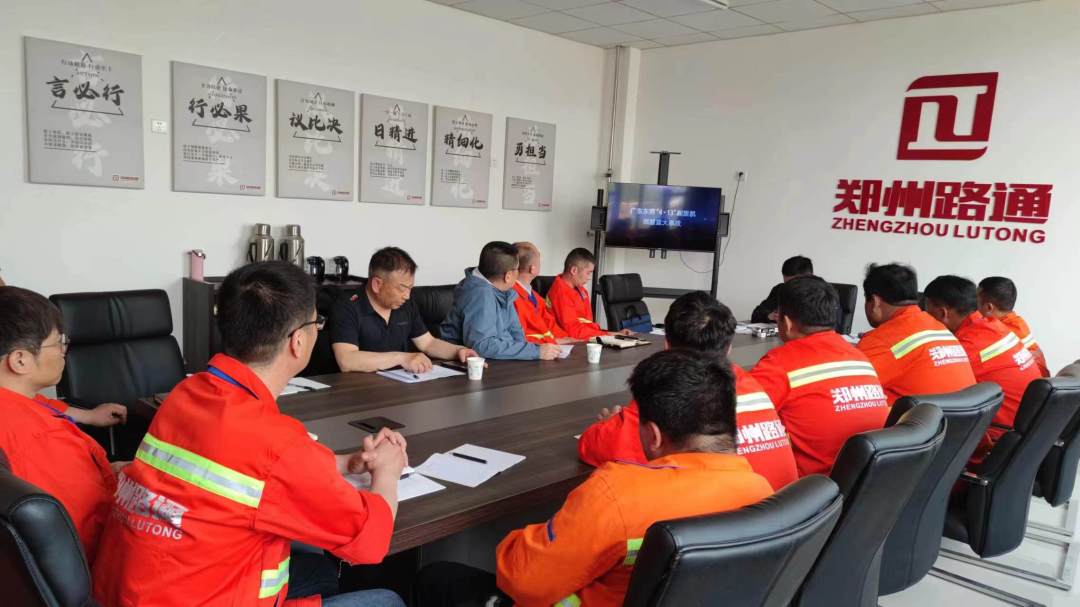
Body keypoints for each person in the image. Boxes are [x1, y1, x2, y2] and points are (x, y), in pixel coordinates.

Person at [91, 262, 407, 607]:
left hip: (142, 588)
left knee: (319, 568)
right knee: (387, 600)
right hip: (206, 594)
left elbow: (243, 468)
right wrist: (388, 472)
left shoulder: (186, 393)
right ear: (298, 341)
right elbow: (372, 543)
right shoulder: (275, 444)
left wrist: (344, 464)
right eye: (317, 323)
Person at [416, 349, 773, 607]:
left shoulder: (618, 491)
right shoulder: (761, 490)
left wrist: (520, 540)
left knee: (437, 577)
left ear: (652, 436)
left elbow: (522, 579)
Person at [578, 291, 798, 490]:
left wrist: (610, 424)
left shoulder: (670, 387)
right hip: (778, 511)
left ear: (666, 345)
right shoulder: (753, 384)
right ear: (729, 349)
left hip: (722, 515)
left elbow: (593, 446)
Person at [0, 286, 127, 565]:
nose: (63, 351)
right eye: (58, 342)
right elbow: (91, 530)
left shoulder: (18, 404)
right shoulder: (42, 438)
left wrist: (111, 471)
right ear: (20, 360)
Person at [750, 276, 889, 476]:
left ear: (786, 323)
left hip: (810, 487)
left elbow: (737, 418)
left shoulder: (780, 364)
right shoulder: (859, 355)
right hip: (865, 481)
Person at [925, 275, 1042, 462]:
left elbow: (932, 388)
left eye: (927, 313)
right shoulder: (995, 326)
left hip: (995, 445)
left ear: (942, 313)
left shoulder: (969, 344)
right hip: (1024, 440)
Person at [331, 247, 477, 373]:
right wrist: (402, 358)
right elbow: (347, 360)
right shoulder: (347, 306)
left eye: (410, 288)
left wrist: (458, 351)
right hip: (360, 390)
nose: (407, 295)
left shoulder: (405, 304)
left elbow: (428, 343)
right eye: (402, 288)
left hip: (401, 384)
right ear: (377, 284)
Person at [857, 264, 976, 404]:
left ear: (875, 302)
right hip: (949, 415)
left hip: (917, 416)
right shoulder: (939, 328)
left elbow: (843, 384)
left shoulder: (883, 340)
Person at [441, 242, 560, 361]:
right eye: (517, 269)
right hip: (470, 362)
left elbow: (516, 332)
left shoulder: (504, 289)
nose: (519, 272)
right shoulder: (479, 294)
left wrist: (530, 352)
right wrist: (535, 351)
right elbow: (482, 346)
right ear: (508, 276)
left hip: (499, 358)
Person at [547, 248, 631, 340]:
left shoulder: (580, 290)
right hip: (570, 342)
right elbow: (574, 331)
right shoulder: (560, 293)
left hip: (586, 338)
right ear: (574, 270)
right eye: (588, 273)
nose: (589, 278)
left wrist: (614, 333)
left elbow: (587, 326)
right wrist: (610, 335)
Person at [978, 276, 1050, 377]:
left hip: (1031, 385)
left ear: (989, 307)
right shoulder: (1019, 323)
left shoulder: (999, 332)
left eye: (975, 300)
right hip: (1037, 381)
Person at [510, 242, 575, 345]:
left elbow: (550, 324)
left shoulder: (535, 296)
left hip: (550, 346)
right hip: (536, 350)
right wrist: (554, 341)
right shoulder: (512, 297)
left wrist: (567, 338)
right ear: (532, 269)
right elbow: (520, 337)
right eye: (539, 261)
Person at [750, 255, 814, 323]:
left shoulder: (820, 294)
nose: (790, 287)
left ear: (809, 277)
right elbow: (756, 315)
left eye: (794, 283)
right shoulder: (780, 290)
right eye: (787, 283)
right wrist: (770, 316)